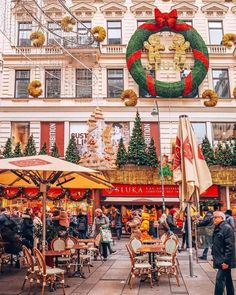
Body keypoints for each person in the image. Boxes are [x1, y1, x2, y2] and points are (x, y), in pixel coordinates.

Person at [212, 211, 235, 295]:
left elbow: (230, 246)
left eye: (215, 217)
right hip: (220, 258)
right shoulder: (218, 227)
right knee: (228, 280)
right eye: (213, 217)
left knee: (219, 281)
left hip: (224, 260)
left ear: (221, 218)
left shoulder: (226, 228)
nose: (213, 219)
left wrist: (226, 262)